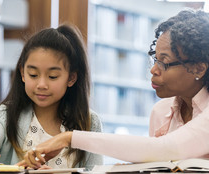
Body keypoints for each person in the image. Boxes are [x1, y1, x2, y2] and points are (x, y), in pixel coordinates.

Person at [22, 8, 209, 167]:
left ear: (199, 68)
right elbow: (158, 161)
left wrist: (69, 138)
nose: (153, 70)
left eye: (165, 62)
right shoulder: (161, 112)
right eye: (155, 59)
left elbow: (164, 148)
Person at [0, 24, 103, 170]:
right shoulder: (7, 114)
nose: (41, 84)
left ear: (71, 78)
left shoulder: (89, 121)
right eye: (33, 75)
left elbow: (96, 171)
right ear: (23, 73)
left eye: (52, 76)